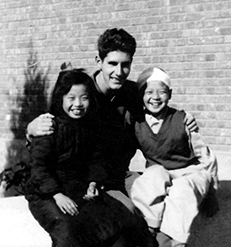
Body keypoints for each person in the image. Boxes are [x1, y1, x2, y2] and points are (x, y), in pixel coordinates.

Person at [25, 68, 156, 247]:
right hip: (46, 194)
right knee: (68, 230)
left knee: (120, 219)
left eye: (84, 98)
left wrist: (93, 182)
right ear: (61, 98)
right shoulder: (49, 127)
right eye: (71, 98)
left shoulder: (90, 126)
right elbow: (39, 167)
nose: (78, 104)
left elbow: (96, 159)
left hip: (78, 188)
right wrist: (57, 195)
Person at [129, 67, 219, 247]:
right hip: (161, 171)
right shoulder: (136, 122)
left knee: (182, 192)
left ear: (169, 94)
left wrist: (212, 191)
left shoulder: (182, 120)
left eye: (162, 92)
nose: (155, 97)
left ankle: (173, 241)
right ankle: (149, 226)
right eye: (149, 92)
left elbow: (204, 154)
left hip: (190, 172)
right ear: (141, 96)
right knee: (149, 179)